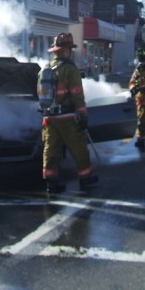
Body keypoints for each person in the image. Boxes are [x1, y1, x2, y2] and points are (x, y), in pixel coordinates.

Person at [38, 32, 98, 194]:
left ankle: (52, 183)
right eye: (69, 49)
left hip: (49, 118)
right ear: (65, 51)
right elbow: (77, 94)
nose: (70, 52)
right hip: (67, 117)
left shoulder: (45, 69)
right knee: (78, 147)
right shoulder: (70, 70)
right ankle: (86, 178)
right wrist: (83, 115)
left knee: (51, 149)